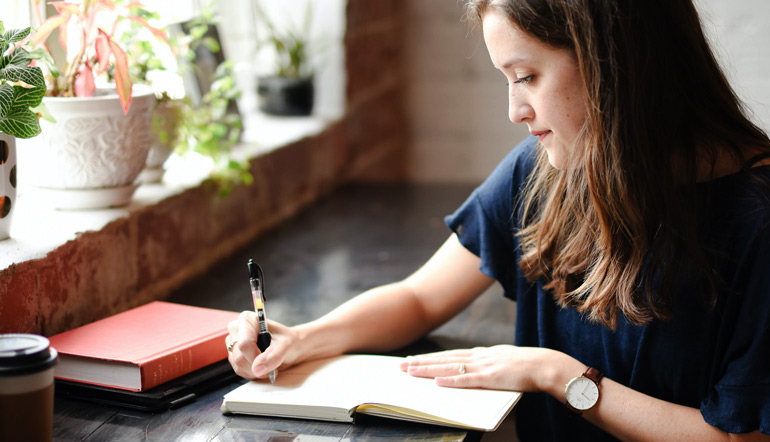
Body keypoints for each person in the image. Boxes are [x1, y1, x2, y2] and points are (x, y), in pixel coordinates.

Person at [227, 0, 770, 440]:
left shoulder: (758, 221)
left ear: (616, 64)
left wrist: (559, 376)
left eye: (528, 76)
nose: (515, 110)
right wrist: (304, 338)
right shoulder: (548, 169)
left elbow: (737, 440)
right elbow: (420, 298)